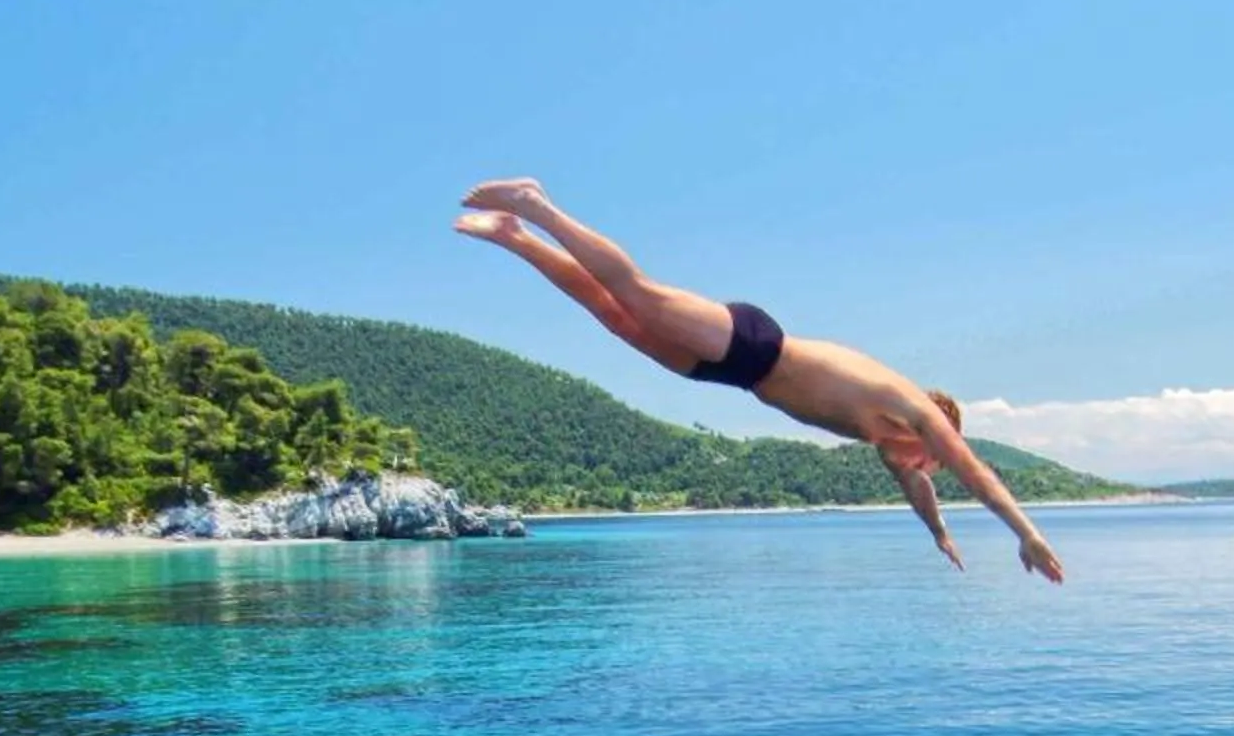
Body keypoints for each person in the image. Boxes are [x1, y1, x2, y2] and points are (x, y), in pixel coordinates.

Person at [454, 181, 1065, 582]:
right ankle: (539, 205)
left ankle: (515, 238)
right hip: (754, 343)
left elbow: (919, 491)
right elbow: (979, 476)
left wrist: (939, 533)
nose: (923, 471)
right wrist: (1029, 535)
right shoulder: (908, 410)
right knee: (636, 294)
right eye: (932, 464)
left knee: (615, 319)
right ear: (939, 438)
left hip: (733, 377)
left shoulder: (893, 450)